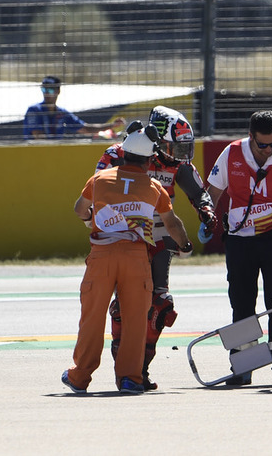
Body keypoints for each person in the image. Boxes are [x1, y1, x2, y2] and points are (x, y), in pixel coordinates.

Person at [61, 125, 192, 395]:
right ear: (148, 160)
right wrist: (185, 246)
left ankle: (80, 377)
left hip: (102, 255)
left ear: (124, 154)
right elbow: (172, 223)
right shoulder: (154, 186)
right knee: (134, 319)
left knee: (92, 318)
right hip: (136, 257)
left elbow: (79, 209)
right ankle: (130, 378)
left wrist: (90, 220)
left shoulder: (99, 179)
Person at [95, 107, 216, 390]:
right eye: (175, 145)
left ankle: (141, 369)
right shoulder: (117, 154)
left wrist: (207, 212)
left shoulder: (179, 165)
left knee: (160, 305)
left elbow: (199, 193)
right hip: (124, 237)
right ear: (157, 140)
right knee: (126, 306)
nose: (181, 152)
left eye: (186, 146)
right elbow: (99, 190)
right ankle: (122, 366)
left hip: (160, 238)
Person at [206, 110, 272, 386]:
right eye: (262, 145)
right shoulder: (231, 153)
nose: (269, 150)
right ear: (250, 137)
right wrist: (207, 215)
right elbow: (212, 191)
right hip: (240, 239)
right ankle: (243, 365)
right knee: (241, 301)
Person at [23, 76, 125, 139]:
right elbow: (38, 136)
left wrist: (111, 125)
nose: (46, 94)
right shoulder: (34, 110)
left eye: (50, 90)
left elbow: (85, 129)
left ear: (58, 91)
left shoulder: (61, 113)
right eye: (44, 90)